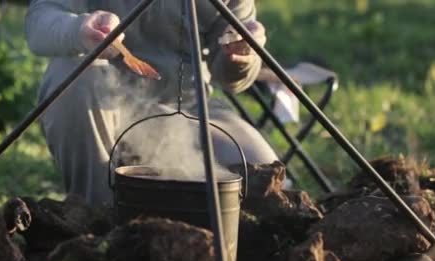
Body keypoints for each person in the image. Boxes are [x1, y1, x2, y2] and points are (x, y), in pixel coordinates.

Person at [25, 0, 277, 206]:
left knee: (267, 180)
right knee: (69, 74)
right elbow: (40, 20)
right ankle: (95, 217)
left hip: (192, 111)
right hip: (104, 108)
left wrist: (242, 55)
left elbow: (232, 79)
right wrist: (79, 30)